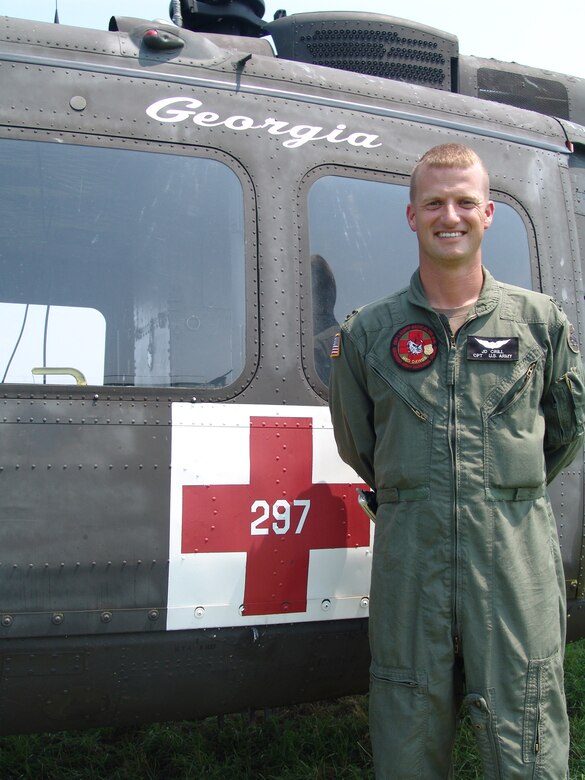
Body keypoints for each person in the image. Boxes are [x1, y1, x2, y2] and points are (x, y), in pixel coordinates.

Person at [328, 143, 585, 779]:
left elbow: (567, 428)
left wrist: (502, 491)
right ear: (411, 216)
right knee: (407, 713)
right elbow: (360, 446)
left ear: (489, 213)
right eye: (435, 202)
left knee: (525, 714)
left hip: (514, 552)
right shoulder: (369, 333)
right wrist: (423, 491)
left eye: (466, 201)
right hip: (411, 553)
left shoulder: (538, 324)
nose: (451, 215)